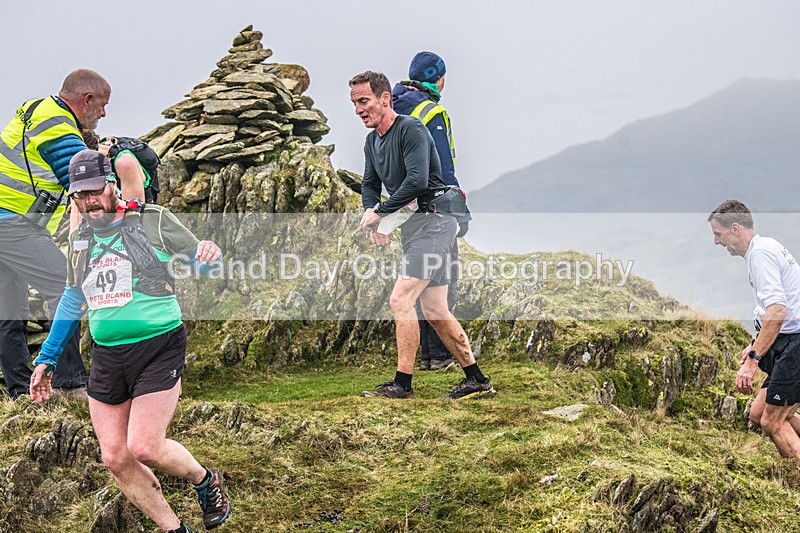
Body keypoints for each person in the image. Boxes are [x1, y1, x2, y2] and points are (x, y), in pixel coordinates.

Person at [30, 150, 231, 532]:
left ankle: (205, 480)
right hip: (107, 355)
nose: (88, 202)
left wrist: (210, 253)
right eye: (79, 195)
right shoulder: (79, 239)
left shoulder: (152, 220)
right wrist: (48, 358)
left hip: (159, 346)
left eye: (93, 191)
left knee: (145, 447)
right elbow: (74, 298)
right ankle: (175, 530)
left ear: (111, 183)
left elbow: (202, 262)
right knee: (115, 457)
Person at [349, 70, 494, 399]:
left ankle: (402, 384)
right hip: (415, 229)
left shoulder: (411, 129)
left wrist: (381, 214)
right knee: (435, 311)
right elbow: (370, 186)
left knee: (400, 300)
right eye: (355, 103)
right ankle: (477, 380)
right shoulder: (373, 141)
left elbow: (416, 181)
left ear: (385, 98)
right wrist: (375, 218)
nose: (359, 109)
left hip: (436, 223)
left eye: (364, 101)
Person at [0, 69, 107, 398]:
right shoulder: (56, 122)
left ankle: (23, 392)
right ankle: (70, 382)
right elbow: (81, 180)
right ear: (86, 100)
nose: (103, 113)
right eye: (102, 105)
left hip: (9, 219)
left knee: (8, 308)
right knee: (66, 289)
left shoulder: (37, 108)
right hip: (11, 222)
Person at [392, 51, 471, 371]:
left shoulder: (395, 107)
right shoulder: (431, 111)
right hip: (436, 207)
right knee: (441, 279)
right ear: (439, 78)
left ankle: (427, 355)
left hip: (407, 206)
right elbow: (443, 166)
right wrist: (459, 210)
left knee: (418, 279)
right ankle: (440, 355)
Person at [709, 199, 800, 460]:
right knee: (759, 414)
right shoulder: (763, 249)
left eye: (718, 234)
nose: (717, 242)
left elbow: (777, 310)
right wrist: (756, 343)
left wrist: (753, 360)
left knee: (773, 422)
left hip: (795, 343)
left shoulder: (760, 255)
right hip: (788, 339)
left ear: (735, 229)